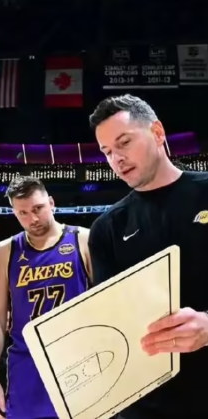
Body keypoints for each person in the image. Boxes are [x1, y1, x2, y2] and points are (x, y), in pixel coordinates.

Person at [87, 94, 208, 419]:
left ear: (157, 133)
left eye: (124, 143)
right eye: (107, 152)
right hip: (146, 407)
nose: (116, 158)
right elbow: (111, 326)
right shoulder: (107, 229)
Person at [0, 176, 92, 419]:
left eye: (38, 208)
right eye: (22, 213)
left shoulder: (83, 240)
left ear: (51, 203)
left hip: (78, 362)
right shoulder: (5, 251)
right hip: (27, 367)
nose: (32, 219)